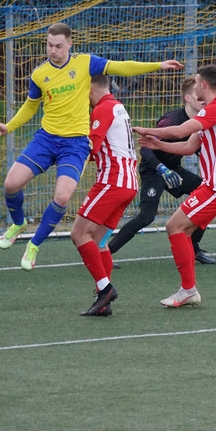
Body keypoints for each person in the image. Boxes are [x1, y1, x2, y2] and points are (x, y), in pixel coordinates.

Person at [0, 22, 182, 271]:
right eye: (49, 45)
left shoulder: (85, 63)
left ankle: (34, 244)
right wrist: (9, 126)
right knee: (10, 184)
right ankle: (18, 223)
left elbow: (120, 67)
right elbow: (30, 105)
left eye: (58, 46)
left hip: (76, 144)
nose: (53, 50)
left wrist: (157, 65)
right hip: (46, 138)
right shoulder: (39, 74)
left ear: (70, 44)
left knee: (62, 196)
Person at [132, 64, 216, 307]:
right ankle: (188, 289)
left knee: (174, 227)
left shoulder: (215, 109)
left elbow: (180, 130)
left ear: (204, 85)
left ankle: (188, 290)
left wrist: (149, 131)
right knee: (181, 231)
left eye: (197, 82)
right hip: (214, 187)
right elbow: (189, 146)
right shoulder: (215, 111)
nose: (194, 86)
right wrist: (158, 145)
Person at [100, 76, 216, 266]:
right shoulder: (171, 120)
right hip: (153, 170)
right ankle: (107, 253)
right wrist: (162, 169)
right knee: (146, 217)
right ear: (187, 98)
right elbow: (146, 149)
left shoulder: (198, 122)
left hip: (174, 170)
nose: (203, 99)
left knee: (208, 194)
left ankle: (194, 248)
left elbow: (196, 149)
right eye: (198, 95)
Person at [70, 75, 137, 316]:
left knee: (78, 233)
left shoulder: (102, 108)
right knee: (98, 240)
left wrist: (64, 155)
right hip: (128, 183)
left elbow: (93, 148)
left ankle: (105, 289)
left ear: (89, 89)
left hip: (113, 181)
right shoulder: (118, 107)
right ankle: (104, 303)